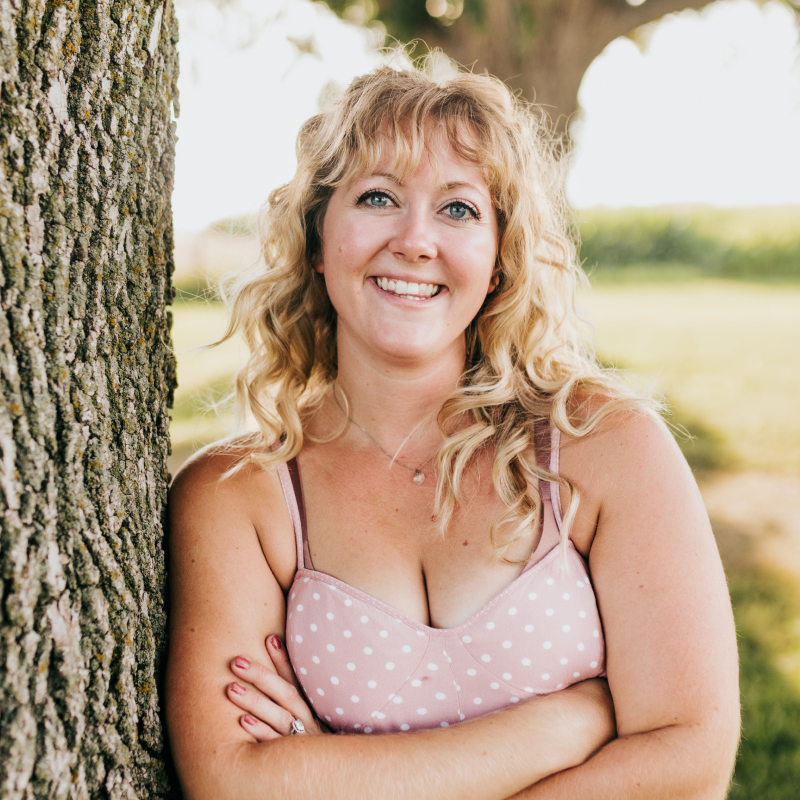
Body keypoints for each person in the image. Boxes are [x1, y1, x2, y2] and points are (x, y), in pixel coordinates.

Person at [165, 61, 740, 800]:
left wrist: (332, 770)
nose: (415, 241)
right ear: (316, 240)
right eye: (378, 197)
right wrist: (563, 725)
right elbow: (233, 782)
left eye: (459, 209)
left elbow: (689, 758)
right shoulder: (238, 496)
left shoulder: (604, 445)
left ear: (499, 259)